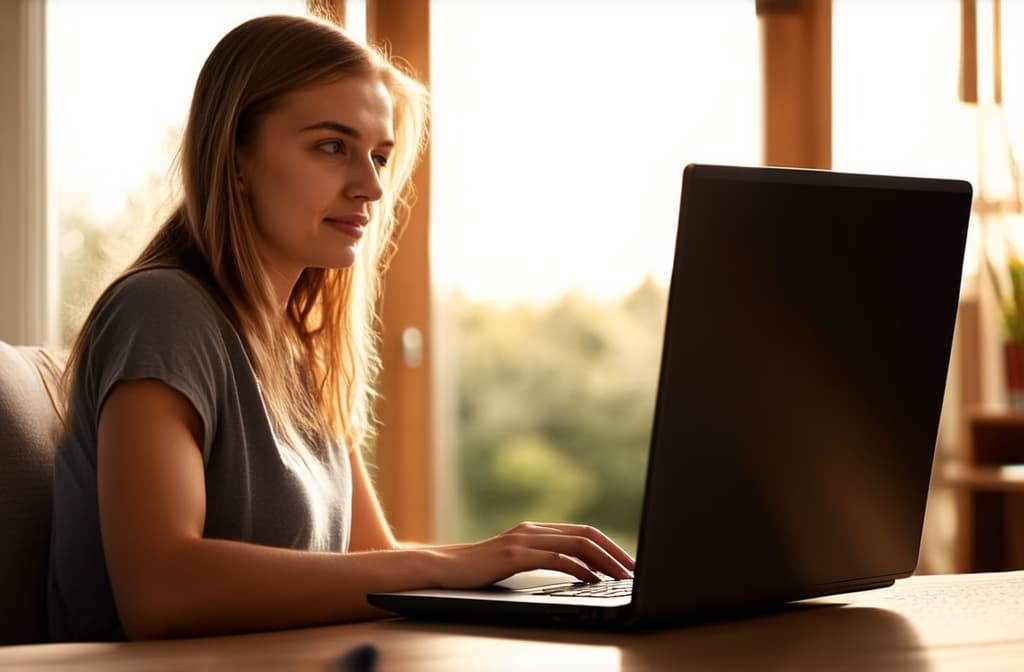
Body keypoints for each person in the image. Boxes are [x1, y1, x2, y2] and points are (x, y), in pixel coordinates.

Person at [48, 13, 634, 642]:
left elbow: (372, 564)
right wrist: (459, 561)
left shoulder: (300, 349)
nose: (373, 186)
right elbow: (162, 592)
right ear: (235, 157)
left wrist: (543, 581)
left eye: (379, 155)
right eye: (332, 146)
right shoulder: (162, 311)